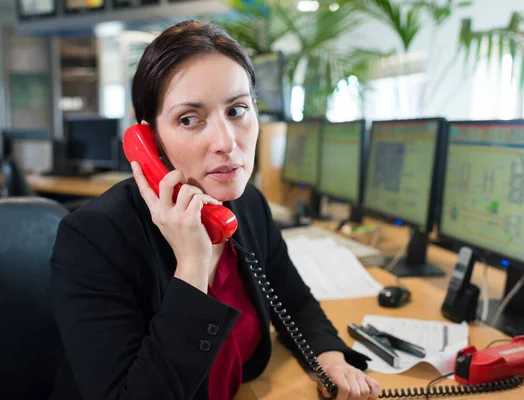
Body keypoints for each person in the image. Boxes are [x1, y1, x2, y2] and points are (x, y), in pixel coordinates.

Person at [49, 20, 380, 400]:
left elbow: (295, 302)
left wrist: (331, 360)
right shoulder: (94, 239)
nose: (225, 141)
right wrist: (191, 267)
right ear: (148, 140)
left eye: (237, 110)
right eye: (190, 119)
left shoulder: (247, 204)